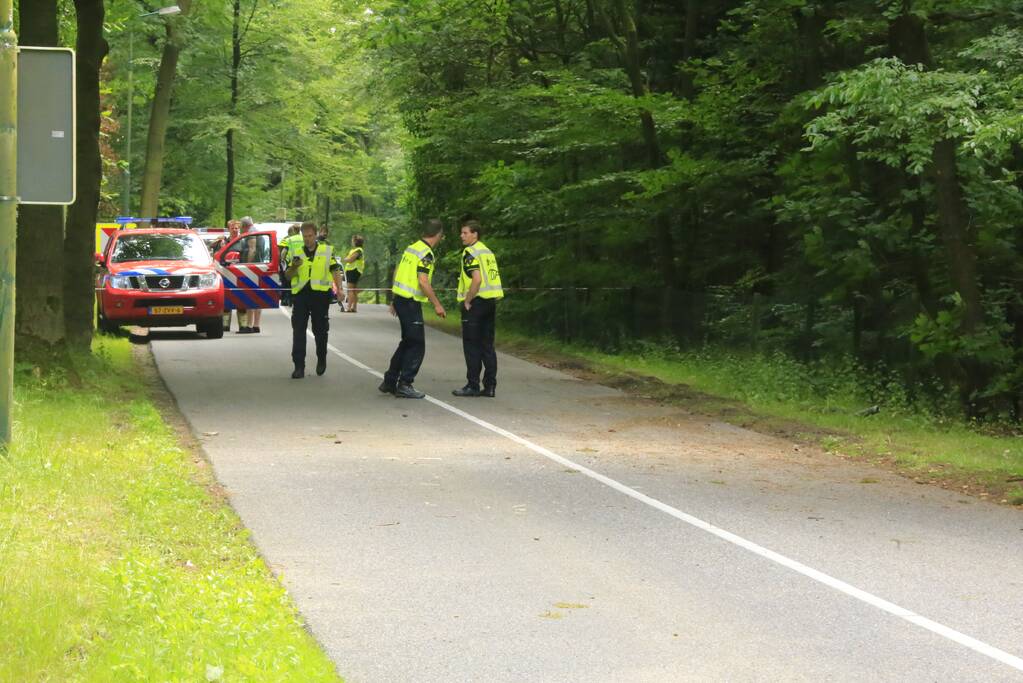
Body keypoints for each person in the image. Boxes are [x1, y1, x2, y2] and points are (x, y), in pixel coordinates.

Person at [380, 220, 446, 399]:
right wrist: (437, 304)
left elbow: (398, 272)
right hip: (410, 302)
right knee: (417, 344)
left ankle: (390, 380)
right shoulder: (426, 253)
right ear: (438, 235)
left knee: (408, 341)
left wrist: (394, 298)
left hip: (401, 299)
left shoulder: (412, 248)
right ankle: (405, 384)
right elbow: (423, 281)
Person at [284, 222, 344, 379]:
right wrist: (294, 267)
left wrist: (340, 289)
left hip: (320, 296)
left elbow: (335, 270)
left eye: (310, 236)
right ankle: (299, 366)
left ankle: (321, 358)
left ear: (316, 235)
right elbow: (288, 276)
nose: (307, 239)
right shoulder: (296, 251)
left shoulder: (325, 251)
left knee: (320, 330)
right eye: (305, 236)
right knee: (298, 330)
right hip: (301, 295)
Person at [452, 220, 503, 397]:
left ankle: (472, 385)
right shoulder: (487, 251)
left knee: (471, 345)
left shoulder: (470, 252)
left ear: (475, 234)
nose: (462, 236)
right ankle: (490, 387)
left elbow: (477, 279)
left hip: (476, 303)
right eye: (462, 233)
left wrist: (467, 300)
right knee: (487, 346)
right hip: (490, 303)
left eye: (465, 233)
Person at [217, 220, 243, 332]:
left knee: (242, 300)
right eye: (233, 228)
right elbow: (217, 256)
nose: (235, 229)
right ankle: (225, 325)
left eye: (237, 228)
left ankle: (243, 325)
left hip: (241, 273)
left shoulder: (243, 241)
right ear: (229, 229)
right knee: (227, 299)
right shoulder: (224, 241)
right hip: (226, 272)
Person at [239, 216, 263, 333]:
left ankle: (249, 325)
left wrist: (247, 267)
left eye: (240, 226)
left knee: (250, 296)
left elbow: (252, 250)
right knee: (257, 297)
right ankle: (256, 325)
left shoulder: (251, 233)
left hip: (253, 268)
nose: (240, 229)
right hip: (259, 266)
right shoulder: (256, 231)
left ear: (244, 226)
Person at [342, 234, 365, 313]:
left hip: (353, 270)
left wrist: (345, 259)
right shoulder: (356, 250)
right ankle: (354, 307)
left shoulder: (358, 250)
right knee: (354, 290)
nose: (352, 242)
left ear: (355, 241)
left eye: (353, 240)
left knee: (350, 290)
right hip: (354, 271)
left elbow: (351, 259)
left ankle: (348, 307)